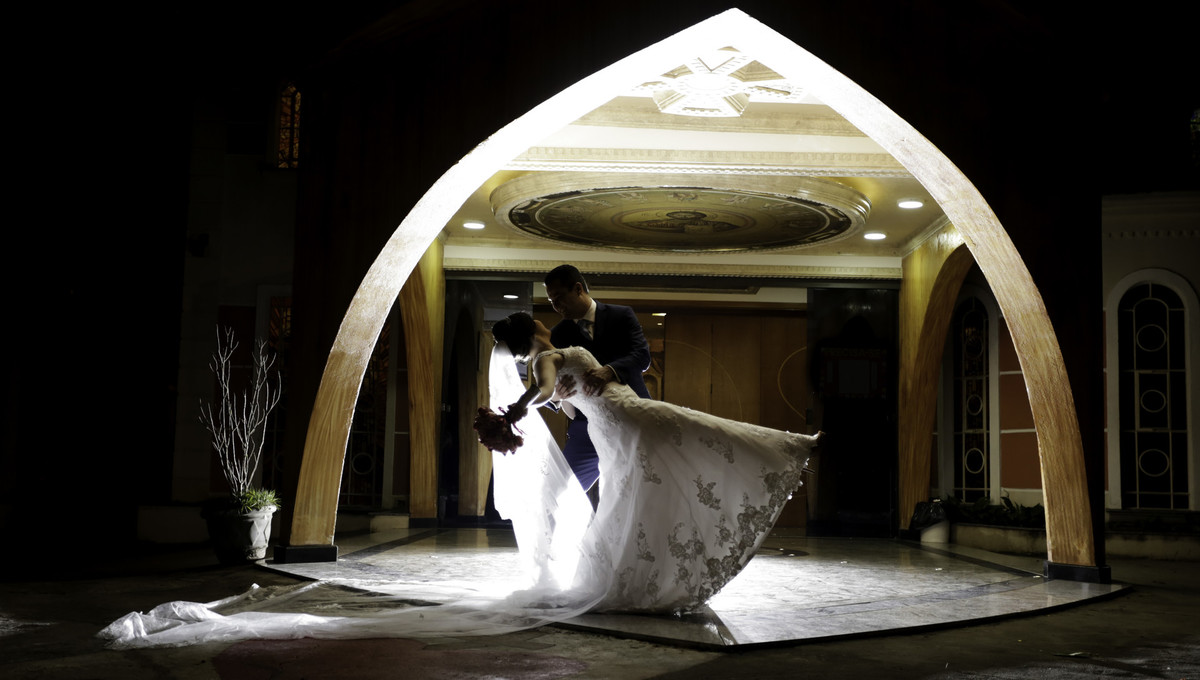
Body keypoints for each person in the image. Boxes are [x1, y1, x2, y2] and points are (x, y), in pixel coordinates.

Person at [484, 311, 819, 613]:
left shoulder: (552, 354)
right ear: (533, 328)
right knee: (700, 431)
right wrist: (521, 405)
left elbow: (562, 398)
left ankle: (638, 577)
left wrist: (556, 394)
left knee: (643, 489)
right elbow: (543, 389)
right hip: (626, 417)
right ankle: (790, 447)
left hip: (616, 425)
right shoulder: (545, 356)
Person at [542, 264, 651, 503]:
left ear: (578, 289)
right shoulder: (557, 334)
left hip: (633, 417)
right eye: (551, 301)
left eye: (559, 298)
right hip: (587, 425)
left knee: (642, 491)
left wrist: (610, 371)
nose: (556, 306)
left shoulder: (622, 316)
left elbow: (642, 357)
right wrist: (557, 396)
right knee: (560, 491)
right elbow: (551, 385)